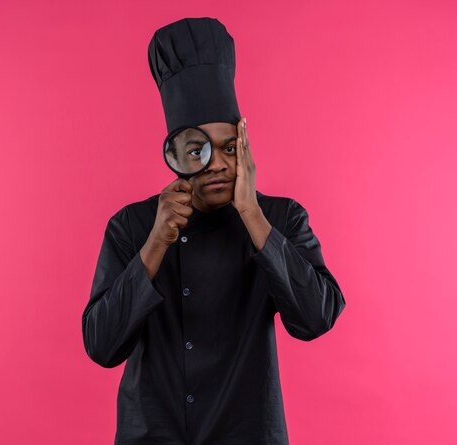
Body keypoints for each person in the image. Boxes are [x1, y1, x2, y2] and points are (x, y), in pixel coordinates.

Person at [82, 17, 346, 445]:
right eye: (196, 150)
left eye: (228, 147)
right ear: (174, 153)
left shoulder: (281, 219)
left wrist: (252, 213)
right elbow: (101, 346)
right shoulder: (131, 226)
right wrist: (155, 243)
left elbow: (317, 318)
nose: (218, 164)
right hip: (153, 433)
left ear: (244, 146)